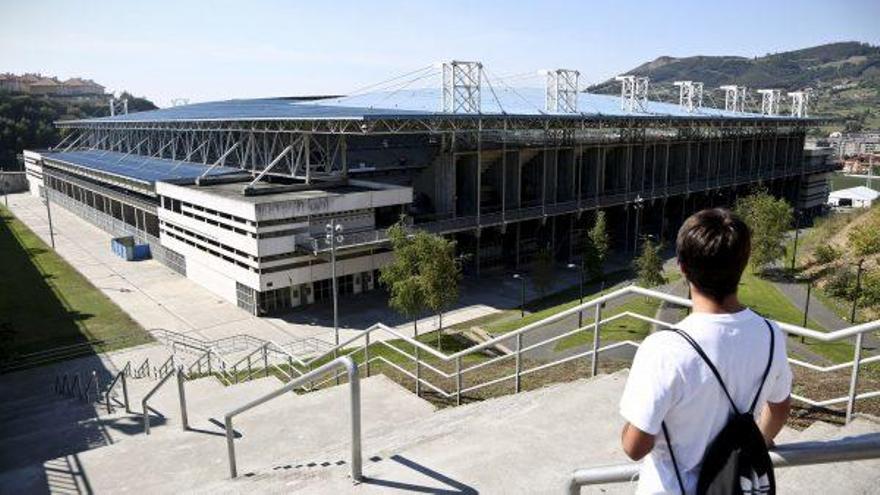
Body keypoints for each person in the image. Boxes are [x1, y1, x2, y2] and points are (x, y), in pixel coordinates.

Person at [618, 208, 792, 494]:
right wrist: (756, 441)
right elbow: (780, 406)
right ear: (744, 263)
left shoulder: (664, 349)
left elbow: (635, 447)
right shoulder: (770, 334)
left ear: (682, 267)